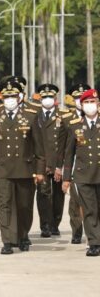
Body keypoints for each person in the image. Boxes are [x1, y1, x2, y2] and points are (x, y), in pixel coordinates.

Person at [0, 79, 45, 255]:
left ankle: (22, 236)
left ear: (19, 96)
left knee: (24, 205)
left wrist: (40, 171)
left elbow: (39, 146)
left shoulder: (31, 115)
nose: (9, 99)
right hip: (3, 169)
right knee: (4, 204)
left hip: (25, 168)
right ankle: (7, 241)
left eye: (13, 96)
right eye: (6, 96)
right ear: (1, 97)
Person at [62, 89, 100, 256]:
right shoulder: (75, 125)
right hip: (83, 175)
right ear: (82, 106)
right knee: (90, 210)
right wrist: (66, 178)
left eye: (93, 102)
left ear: (98, 104)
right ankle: (94, 243)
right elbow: (69, 154)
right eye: (87, 103)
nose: (90, 106)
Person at [35, 84, 71, 238]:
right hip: (40, 161)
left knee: (57, 195)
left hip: (57, 161)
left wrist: (60, 166)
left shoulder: (63, 116)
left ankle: (55, 223)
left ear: (55, 98)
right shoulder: (34, 115)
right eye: (44, 97)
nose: (47, 100)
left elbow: (65, 144)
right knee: (43, 193)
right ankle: (45, 225)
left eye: (50, 97)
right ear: (40, 98)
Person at [64, 83, 91, 244]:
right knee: (75, 202)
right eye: (77, 98)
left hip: (92, 166)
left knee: (91, 202)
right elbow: (64, 148)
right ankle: (76, 230)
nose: (80, 100)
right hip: (74, 167)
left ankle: (92, 233)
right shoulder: (68, 119)